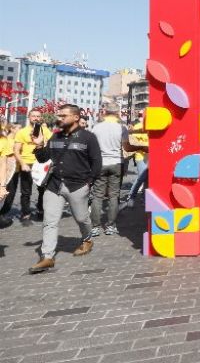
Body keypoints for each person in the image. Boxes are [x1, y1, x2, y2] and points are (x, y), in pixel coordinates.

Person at [28, 104, 102, 274]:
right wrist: (39, 145)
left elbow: (97, 162)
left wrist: (89, 182)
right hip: (54, 186)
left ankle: (87, 239)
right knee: (50, 221)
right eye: (59, 115)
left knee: (82, 218)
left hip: (77, 186)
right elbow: (43, 159)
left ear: (76, 117)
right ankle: (47, 257)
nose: (59, 118)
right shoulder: (55, 137)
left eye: (63, 115)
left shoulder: (88, 138)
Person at [90, 103, 141, 236]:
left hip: (100, 163)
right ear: (118, 112)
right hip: (116, 163)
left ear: (105, 111)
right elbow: (127, 147)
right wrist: (140, 147)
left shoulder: (97, 127)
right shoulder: (121, 127)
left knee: (97, 195)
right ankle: (111, 226)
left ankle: (95, 227)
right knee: (114, 195)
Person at [13, 109, 52, 221]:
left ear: (41, 118)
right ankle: (26, 213)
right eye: (33, 116)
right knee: (26, 191)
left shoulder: (45, 130)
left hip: (42, 163)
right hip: (27, 164)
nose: (36, 118)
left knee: (43, 189)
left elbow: (53, 143)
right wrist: (23, 164)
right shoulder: (22, 132)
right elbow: (16, 150)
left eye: (38, 116)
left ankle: (40, 210)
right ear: (28, 117)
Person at [124, 113, 149, 209]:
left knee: (148, 179)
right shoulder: (137, 127)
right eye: (141, 117)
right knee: (141, 177)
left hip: (150, 157)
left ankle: (145, 198)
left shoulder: (151, 127)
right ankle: (131, 196)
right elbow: (133, 141)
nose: (142, 118)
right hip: (140, 157)